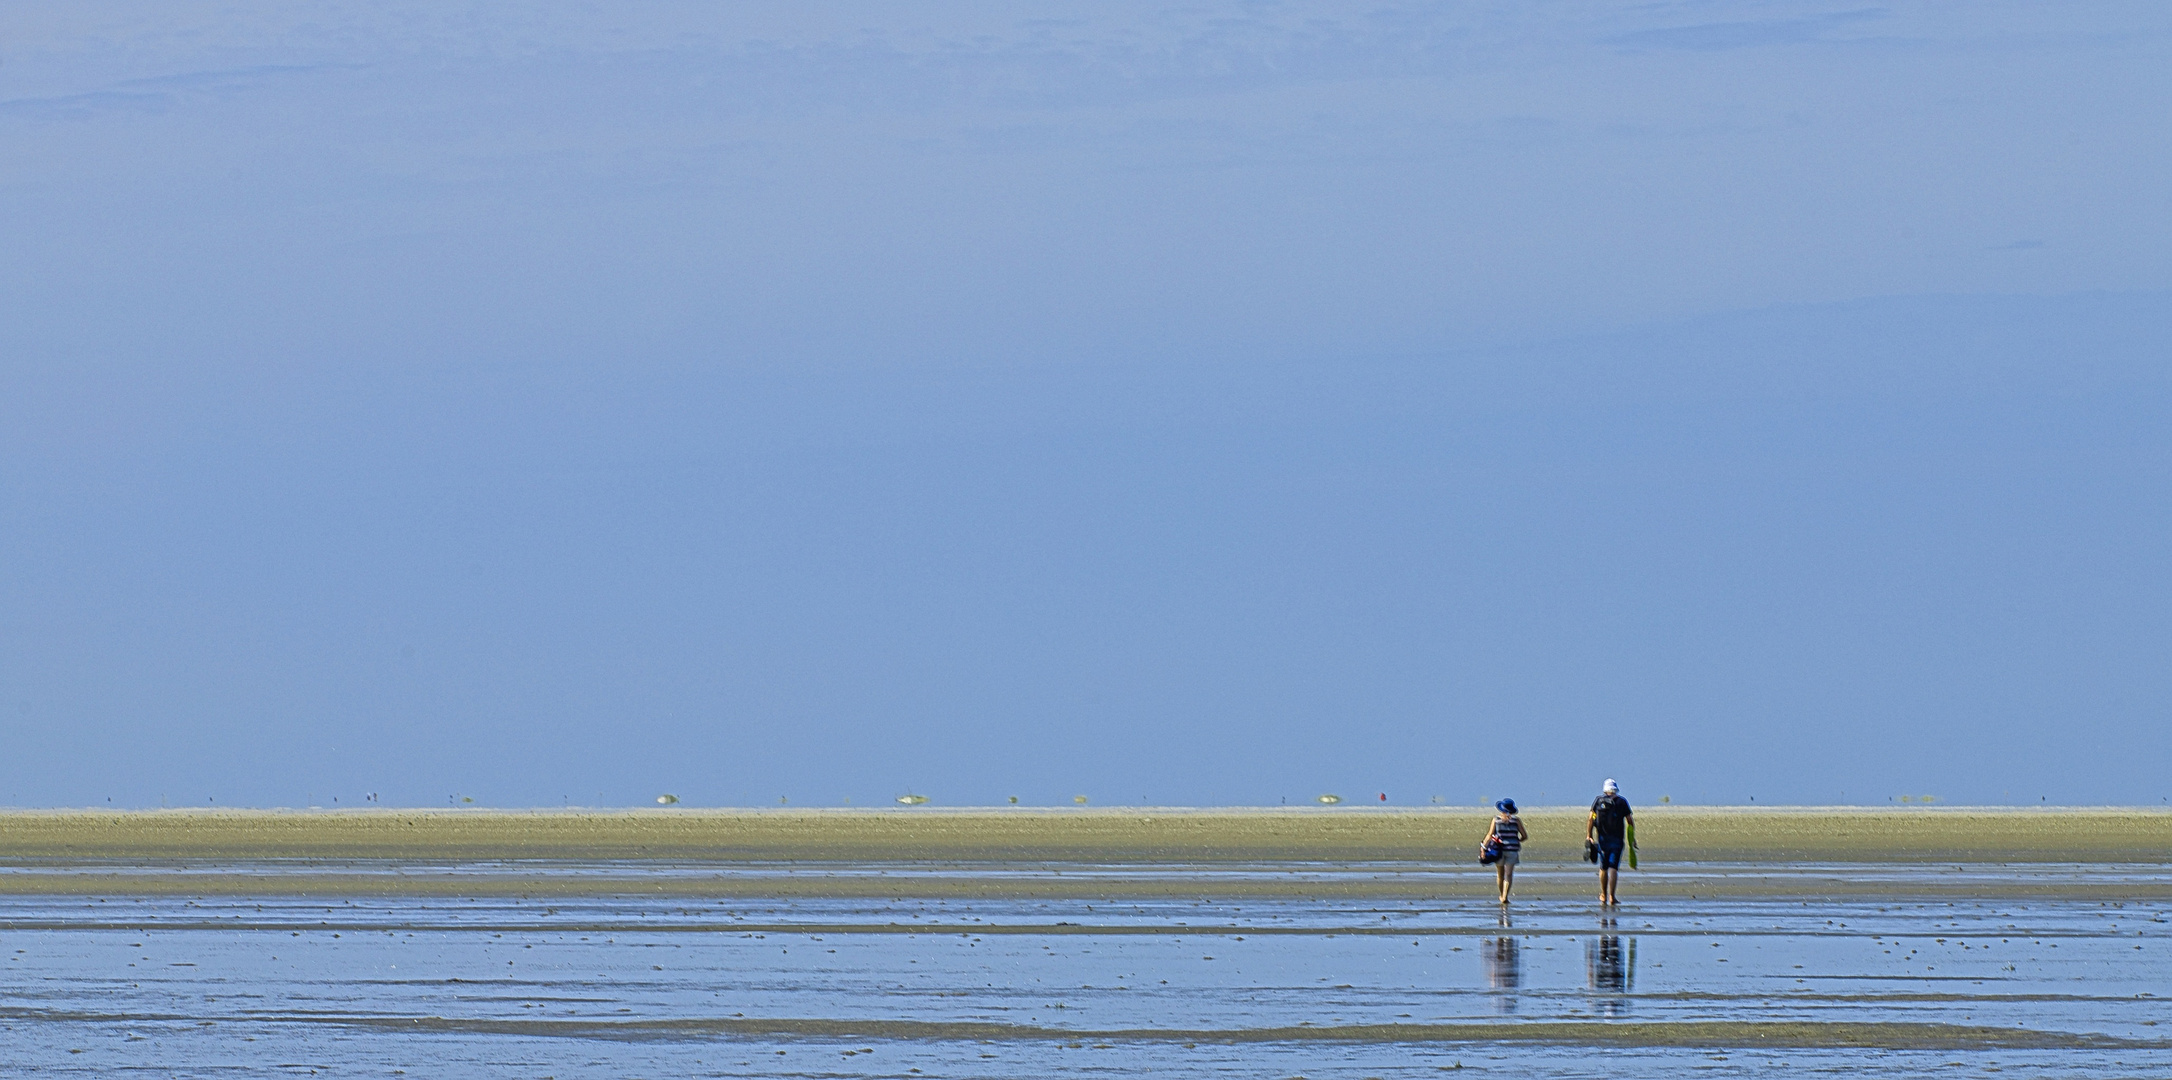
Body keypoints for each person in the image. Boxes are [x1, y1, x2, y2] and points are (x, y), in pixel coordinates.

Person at [1587, 779, 1634, 905]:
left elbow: (1590, 819)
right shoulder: (1621, 802)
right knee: (1613, 867)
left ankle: (1603, 895)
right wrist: (1632, 839)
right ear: (1615, 789)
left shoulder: (1598, 801)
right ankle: (1612, 897)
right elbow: (1630, 820)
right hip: (1617, 839)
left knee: (1603, 867)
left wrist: (1589, 835)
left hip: (1602, 839)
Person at [1484, 799, 1527, 904]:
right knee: (1508, 874)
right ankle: (1505, 896)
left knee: (1500, 874)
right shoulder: (1516, 821)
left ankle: (1501, 895)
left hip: (1498, 850)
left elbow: (1490, 835)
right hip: (1512, 850)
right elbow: (1524, 836)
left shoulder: (1496, 820)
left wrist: (1483, 847)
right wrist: (1516, 840)